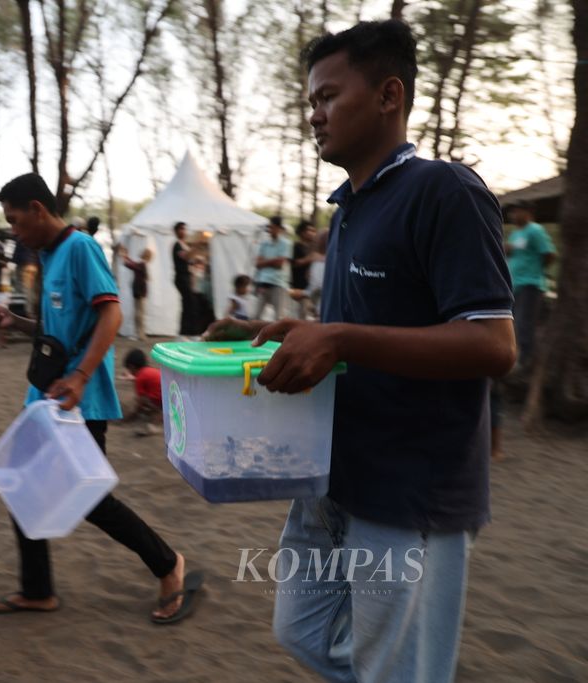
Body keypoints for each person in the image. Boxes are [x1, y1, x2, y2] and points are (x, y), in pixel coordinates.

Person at [206, 21, 514, 683]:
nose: (313, 114)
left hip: (410, 491)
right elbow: (372, 326)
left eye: (326, 96)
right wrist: (308, 329)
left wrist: (340, 337)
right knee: (301, 628)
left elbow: (494, 343)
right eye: (310, 100)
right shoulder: (348, 210)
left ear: (388, 95)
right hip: (333, 476)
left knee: (396, 666)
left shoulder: (446, 192)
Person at [0, 172, 202, 624]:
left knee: (92, 499)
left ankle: (168, 564)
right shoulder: (49, 255)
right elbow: (55, 330)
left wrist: (81, 376)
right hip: (48, 395)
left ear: (39, 210)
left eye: (17, 221)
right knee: (17, 482)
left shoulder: (79, 248)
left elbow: (112, 313)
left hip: (77, 398)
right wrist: (14, 321)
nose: (15, 232)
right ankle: (37, 590)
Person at [504, 199, 555, 368]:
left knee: (524, 323)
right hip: (515, 285)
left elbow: (548, 254)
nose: (514, 214)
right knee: (512, 322)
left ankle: (526, 363)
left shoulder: (535, 230)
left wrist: (535, 270)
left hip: (530, 284)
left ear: (528, 212)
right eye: (513, 211)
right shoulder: (516, 233)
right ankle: (514, 356)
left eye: (518, 210)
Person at [254, 216, 292, 320]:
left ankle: (277, 337)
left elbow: (279, 264)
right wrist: (273, 260)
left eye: (273, 227)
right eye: (270, 227)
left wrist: (265, 261)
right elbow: (257, 264)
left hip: (278, 283)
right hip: (263, 282)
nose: (270, 230)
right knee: (256, 315)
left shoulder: (286, 243)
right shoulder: (264, 243)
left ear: (279, 228)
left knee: (278, 317)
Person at [121, 348, 162, 436]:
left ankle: (151, 425)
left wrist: (130, 417)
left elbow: (140, 402)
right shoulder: (150, 370)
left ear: (131, 367)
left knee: (143, 405)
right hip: (168, 395)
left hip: (160, 400)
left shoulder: (140, 377)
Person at [121, 244, 153, 341]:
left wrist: (124, 256)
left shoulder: (141, 265)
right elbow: (132, 264)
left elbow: (130, 265)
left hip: (138, 291)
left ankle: (139, 334)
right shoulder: (143, 265)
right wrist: (126, 257)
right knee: (140, 313)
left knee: (138, 313)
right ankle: (140, 334)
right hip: (140, 291)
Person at [172, 221, 197, 336]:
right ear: (176, 231)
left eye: (184, 229)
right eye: (181, 229)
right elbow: (186, 257)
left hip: (186, 277)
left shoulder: (184, 244)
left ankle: (186, 332)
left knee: (189, 304)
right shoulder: (177, 245)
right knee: (188, 304)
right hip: (181, 278)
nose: (183, 231)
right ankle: (185, 332)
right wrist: (195, 247)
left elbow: (191, 260)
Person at [290, 220, 319, 319]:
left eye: (314, 230)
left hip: (313, 287)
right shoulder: (296, 246)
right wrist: (311, 258)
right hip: (299, 286)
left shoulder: (315, 248)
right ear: (302, 232)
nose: (313, 233)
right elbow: (295, 263)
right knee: (301, 315)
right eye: (309, 230)